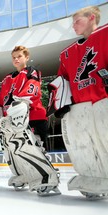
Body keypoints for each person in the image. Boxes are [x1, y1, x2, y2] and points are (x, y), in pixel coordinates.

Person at [50, 6, 108, 198]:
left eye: (77, 21)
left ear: (92, 17)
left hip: (103, 100)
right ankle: (94, 179)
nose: (73, 26)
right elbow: (62, 81)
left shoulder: (106, 33)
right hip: (80, 107)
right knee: (85, 148)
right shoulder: (67, 53)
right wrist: (60, 104)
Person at [0, 45, 60, 195]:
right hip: (12, 119)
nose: (16, 59)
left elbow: (31, 90)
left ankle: (49, 178)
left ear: (26, 57)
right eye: (14, 57)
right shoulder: (7, 79)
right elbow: (0, 100)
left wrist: (21, 104)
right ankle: (25, 174)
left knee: (36, 148)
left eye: (19, 56)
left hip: (34, 116)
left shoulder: (32, 71)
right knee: (16, 149)